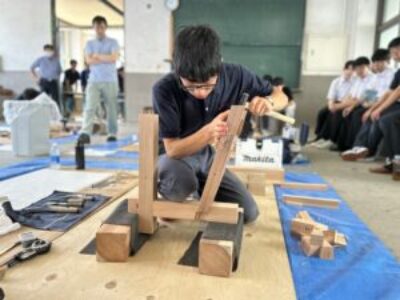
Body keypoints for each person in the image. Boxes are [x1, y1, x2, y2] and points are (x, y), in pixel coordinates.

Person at [152, 25, 288, 224]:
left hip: (207, 157)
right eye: (190, 84)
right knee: (179, 187)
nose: (199, 92)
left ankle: (194, 190)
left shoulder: (236, 75)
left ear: (219, 66)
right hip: (174, 158)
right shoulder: (164, 89)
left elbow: (281, 96)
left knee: (247, 213)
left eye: (207, 84)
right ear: (177, 69)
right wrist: (208, 133)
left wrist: (269, 102)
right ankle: (177, 192)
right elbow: (172, 149)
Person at [341, 42, 400, 161]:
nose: (376, 65)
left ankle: (373, 152)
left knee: (381, 119)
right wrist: (370, 108)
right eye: (375, 62)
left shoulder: (391, 73)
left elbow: (393, 94)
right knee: (364, 115)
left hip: (389, 103)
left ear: (386, 61)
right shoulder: (378, 76)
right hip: (379, 103)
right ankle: (359, 147)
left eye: (379, 62)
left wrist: (376, 108)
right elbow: (371, 94)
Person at [78, 15, 120, 144]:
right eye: (96, 27)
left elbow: (114, 58)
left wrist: (97, 56)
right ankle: (85, 133)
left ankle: (112, 133)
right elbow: (89, 60)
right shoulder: (89, 43)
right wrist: (104, 57)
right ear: (93, 28)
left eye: (101, 27)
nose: (99, 30)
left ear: (105, 27)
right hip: (94, 80)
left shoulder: (113, 42)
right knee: (90, 106)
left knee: (111, 107)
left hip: (110, 80)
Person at [311, 60, 355, 149]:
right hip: (335, 102)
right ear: (344, 69)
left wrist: (338, 106)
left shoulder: (355, 82)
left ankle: (331, 139)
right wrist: (331, 105)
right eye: (348, 69)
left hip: (346, 104)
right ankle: (320, 136)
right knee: (322, 112)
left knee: (335, 114)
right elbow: (331, 96)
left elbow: (352, 98)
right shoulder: (336, 81)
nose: (350, 72)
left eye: (352, 70)